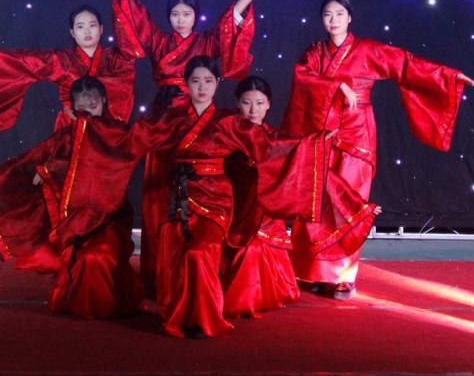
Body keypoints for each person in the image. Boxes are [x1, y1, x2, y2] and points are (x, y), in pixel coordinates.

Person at [63, 56, 340, 337]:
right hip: (178, 199)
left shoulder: (229, 122)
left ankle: (203, 318)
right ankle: (178, 315)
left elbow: (268, 145)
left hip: (215, 199)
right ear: (186, 83)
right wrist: (90, 125)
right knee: (176, 255)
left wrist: (314, 143)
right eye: (195, 81)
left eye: (208, 80)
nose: (202, 87)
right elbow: (131, 137)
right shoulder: (171, 119)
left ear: (217, 83)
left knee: (198, 252)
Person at [102, 0, 276, 287]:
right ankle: (159, 273)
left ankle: (200, 267)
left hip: (199, 123)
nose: (181, 20)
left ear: (196, 15)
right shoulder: (159, 42)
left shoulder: (207, 42)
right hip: (165, 122)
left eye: (187, 14)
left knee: (199, 192)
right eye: (175, 14)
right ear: (168, 17)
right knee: (159, 196)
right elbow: (134, 12)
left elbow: (234, 16)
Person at [283, 0, 474, 299]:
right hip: (321, 134)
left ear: (350, 17)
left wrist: (448, 77)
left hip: (356, 135)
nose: (333, 20)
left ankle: (343, 278)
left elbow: (406, 64)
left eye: (339, 14)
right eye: (327, 14)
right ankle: (316, 273)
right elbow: (302, 79)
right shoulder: (314, 53)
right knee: (318, 203)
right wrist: (337, 85)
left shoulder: (368, 50)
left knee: (349, 205)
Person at [0, 76, 142, 318]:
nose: (88, 113)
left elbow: (96, 167)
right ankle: (89, 308)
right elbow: (24, 162)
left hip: (108, 218)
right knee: (84, 257)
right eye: (82, 108)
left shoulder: (118, 134)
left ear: (105, 101)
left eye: (93, 106)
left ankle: (104, 306)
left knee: (98, 256)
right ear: (72, 108)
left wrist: (52, 169)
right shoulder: (65, 137)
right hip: (75, 222)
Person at [0, 5, 135, 132]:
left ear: (101, 29)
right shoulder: (61, 59)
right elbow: (24, 61)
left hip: (109, 130)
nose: (87, 31)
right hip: (71, 128)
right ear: (72, 32)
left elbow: (131, 44)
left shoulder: (115, 58)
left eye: (92, 25)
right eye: (80, 27)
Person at [221, 76, 300, 318]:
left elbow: (299, 163)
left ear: (269, 105)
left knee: (255, 245)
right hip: (231, 204)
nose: (253, 110)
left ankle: (249, 296)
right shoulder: (226, 132)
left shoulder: (275, 137)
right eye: (247, 103)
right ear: (237, 103)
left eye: (259, 103)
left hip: (264, 209)